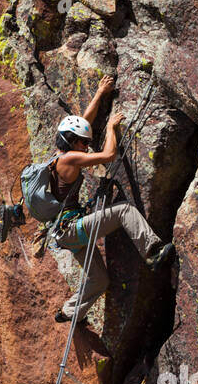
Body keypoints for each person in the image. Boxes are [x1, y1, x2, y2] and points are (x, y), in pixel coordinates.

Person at [49, 75, 175, 324]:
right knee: (124, 211)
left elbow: (83, 123)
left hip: (65, 233)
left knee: (100, 280)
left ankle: (68, 312)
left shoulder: (58, 155)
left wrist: (100, 92)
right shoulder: (70, 159)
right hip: (72, 229)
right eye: (84, 143)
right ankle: (152, 251)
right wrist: (110, 129)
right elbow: (108, 155)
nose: (86, 146)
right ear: (73, 142)